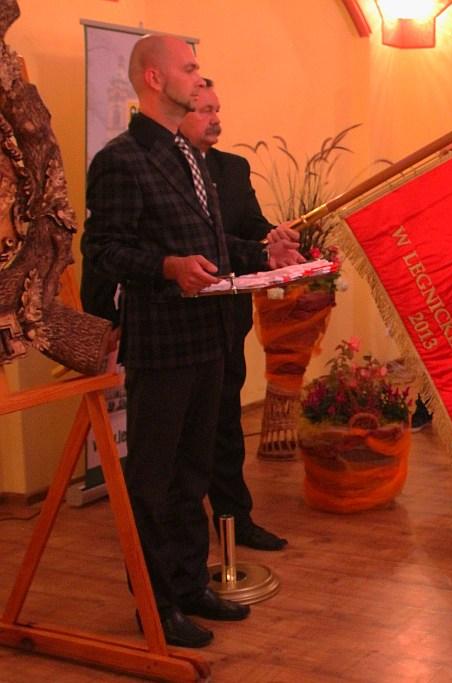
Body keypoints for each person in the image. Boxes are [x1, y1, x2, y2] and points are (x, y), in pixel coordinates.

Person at [82, 35, 303, 648]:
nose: (198, 77)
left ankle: (187, 585)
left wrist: (264, 252)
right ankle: (153, 605)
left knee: (192, 474)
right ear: (154, 79)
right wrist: (167, 268)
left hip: (210, 337)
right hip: (162, 346)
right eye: (190, 68)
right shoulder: (121, 159)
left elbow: (211, 245)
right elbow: (102, 253)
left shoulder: (193, 157)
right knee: (153, 482)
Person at [178, 78, 288, 551]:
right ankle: (181, 536)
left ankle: (233, 518)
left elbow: (250, 231)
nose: (217, 119)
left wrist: (274, 242)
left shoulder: (232, 168)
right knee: (185, 435)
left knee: (225, 423)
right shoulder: (161, 170)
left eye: (218, 109)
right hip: (177, 324)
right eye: (205, 111)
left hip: (227, 318)